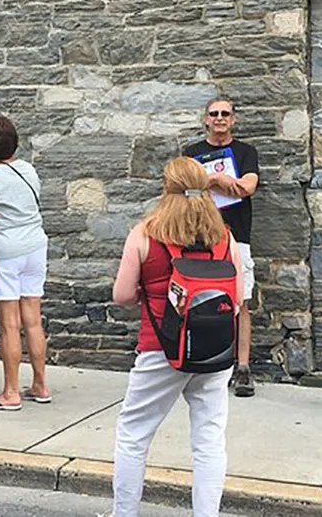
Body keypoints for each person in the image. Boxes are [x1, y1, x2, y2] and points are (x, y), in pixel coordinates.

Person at [110, 157, 243, 517]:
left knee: (134, 435)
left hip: (161, 347)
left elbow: (121, 295)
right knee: (209, 439)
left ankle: (124, 514)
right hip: (214, 351)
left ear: (165, 189)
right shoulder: (223, 237)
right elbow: (238, 300)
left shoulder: (145, 234)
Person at [0, 115, 50, 411]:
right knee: (33, 319)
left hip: (6, 252)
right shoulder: (28, 169)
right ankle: (40, 384)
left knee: (9, 325)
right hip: (35, 246)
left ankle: (11, 392)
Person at [183, 97, 259, 397]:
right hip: (199, 238)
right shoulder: (192, 153)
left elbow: (248, 187)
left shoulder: (245, 152)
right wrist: (228, 183)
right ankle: (199, 359)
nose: (219, 118)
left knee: (241, 302)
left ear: (233, 119)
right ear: (205, 119)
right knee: (197, 300)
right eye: (213, 114)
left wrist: (212, 178)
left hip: (236, 237)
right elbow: (185, 191)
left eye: (225, 113)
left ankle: (242, 368)